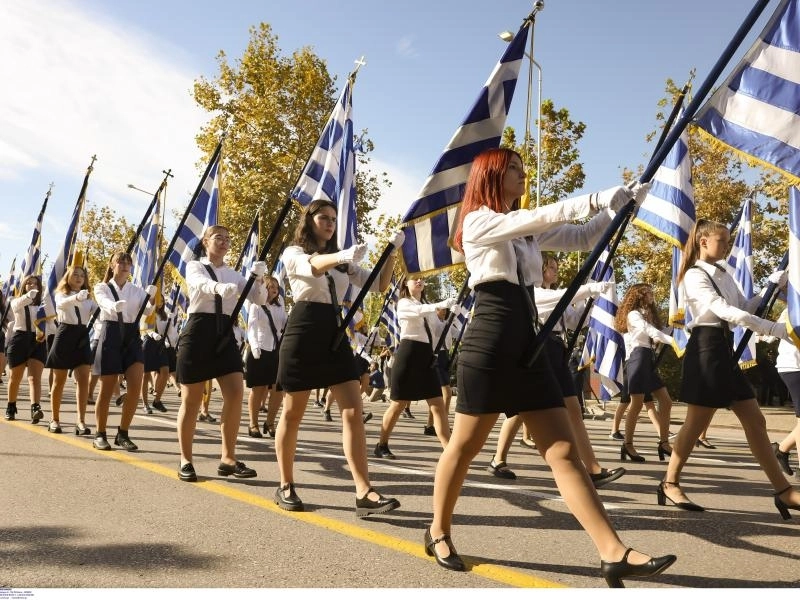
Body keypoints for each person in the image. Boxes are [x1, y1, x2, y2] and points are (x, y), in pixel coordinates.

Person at [427, 147, 675, 587]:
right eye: (516, 170)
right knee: (464, 446)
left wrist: (624, 207)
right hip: (490, 337)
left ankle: (612, 552)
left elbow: (581, 237)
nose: (524, 175)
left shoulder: (524, 233)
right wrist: (599, 197)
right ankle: (438, 531)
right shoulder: (478, 222)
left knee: (563, 451)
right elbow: (539, 218)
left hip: (530, 337)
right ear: (492, 175)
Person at [659, 219, 800, 518]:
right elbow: (722, 310)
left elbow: (744, 306)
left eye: (728, 239)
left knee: (756, 420)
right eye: (722, 240)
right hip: (706, 349)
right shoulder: (694, 275)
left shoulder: (723, 273)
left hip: (722, 349)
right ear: (703, 241)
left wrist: (770, 286)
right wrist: (773, 329)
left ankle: (783, 491)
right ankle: (669, 482)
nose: (727, 244)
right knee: (696, 422)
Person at [274, 198, 403, 516]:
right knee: (293, 413)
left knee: (353, 412)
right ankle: (286, 484)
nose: (330, 223)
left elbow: (379, 285)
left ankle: (364, 491)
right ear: (309, 220)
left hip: (334, 330)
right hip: (304, 328)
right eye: (323, 217)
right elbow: (312, 267)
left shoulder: (343, 263)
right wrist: (342, 255)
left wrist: (391, 251)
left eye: (333, 218)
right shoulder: (294, 253)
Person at [487, 253, 624, 488]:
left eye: (555, 266)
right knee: (521, 411)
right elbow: (561, 298)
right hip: (539, 349)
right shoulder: (533, 293)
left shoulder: (552, 296)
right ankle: (498, 459)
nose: (555, 270)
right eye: (550, 266)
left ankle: (592, 468)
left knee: (573, 411)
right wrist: (590, 288)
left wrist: (591, 304)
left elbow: (572, 320)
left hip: (556, 350)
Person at [175, 225, 267, 482]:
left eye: (228, 239)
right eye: (219, 238)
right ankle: (186, 459)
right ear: (206, 242)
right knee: (191, 399)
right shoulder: (195, 266)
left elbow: (258, 299)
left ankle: (228, 457)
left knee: (236, 392)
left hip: (225, 331)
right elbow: (199, 284)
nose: (225, 242)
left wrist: (257, 279)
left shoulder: (233, 273)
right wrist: (218, 288)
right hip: (199, 330)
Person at [374, 276, 454, 459]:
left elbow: (436, 332)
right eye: (414, 279)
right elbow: (418, 312)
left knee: (437, 404)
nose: (419, 281)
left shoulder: (428, 306)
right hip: (409, 353)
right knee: (398, 404)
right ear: (405, 284)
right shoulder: (403, 303)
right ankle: (382, 444)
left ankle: (449, 451)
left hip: (426, 355)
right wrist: (439, 305)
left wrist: (451, 318)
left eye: (422, 279)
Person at [92, 252, 156, 451]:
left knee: (135, 387)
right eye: (121, 261)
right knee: (106, 389)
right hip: (111, 333)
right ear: (112, 265)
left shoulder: (135, 290)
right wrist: (114, 306)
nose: (125, 265)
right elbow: (102, 301)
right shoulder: (102, 287)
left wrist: (151, 298)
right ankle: (100, 433)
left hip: (131, 335)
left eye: (129, 262)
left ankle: (123, 433)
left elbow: (147, 312)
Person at [615, 283, 676, 462]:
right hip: (637, 358)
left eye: (651, 291)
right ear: (639, 296)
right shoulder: (633, 315)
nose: (652, 295)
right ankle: (628, 445)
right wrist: (673, 341)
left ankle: (664, 443)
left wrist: (675, 328)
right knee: (636, 404)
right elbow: (648, 331)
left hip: (647, 360)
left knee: (666, 401)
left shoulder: (646, 314)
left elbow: (657, 333)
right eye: (648, 292)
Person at [45, 266, 96, 435]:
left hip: (82, 336)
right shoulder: (62, 294)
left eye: (82, 275)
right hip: (65, 334)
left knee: (83, 380)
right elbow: (61, 304)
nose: (79, 278)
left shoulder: (88, 298)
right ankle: (55, 419)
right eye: (75, 275)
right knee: (59, 381)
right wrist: (76, 298)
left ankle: (80, 421)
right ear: (68, 277)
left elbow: (99, 313)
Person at [244, 275, 286, 438]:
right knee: (258, 389)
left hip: (276, 351)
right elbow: (252, 327)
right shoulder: (256, 304)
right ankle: (253, 423)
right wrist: (254, 347)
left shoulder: (280, 302)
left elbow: (283, 323)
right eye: (271, 286)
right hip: (260, 349)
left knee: (277, 390)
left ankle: (270, 422)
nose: (275, 289)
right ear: (263, 288)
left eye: (276, 286)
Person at [4, 275, 47, 423]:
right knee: (15, 377)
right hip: (20, 339)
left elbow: (51, 321)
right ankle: (11, 406)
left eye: (35, 283)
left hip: (38, 340)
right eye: (28, 283)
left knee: (34, 378)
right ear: (23, 286)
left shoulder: (43, 304)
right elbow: (18, 304)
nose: (32, 285)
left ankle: (35, 407)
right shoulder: (16, 301)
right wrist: (29, 295)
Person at [772, 308, 799, 478]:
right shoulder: (794, 305)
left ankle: (782, 449)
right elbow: (776, 331)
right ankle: (781, 450)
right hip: (794, 366)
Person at [424, 306, 457, 436]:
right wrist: (451, 320)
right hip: (436, 356)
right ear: (435, 311)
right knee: (447, 394)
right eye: (440, 309)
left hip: (445, 357)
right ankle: (443, 425)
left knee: (436, 396)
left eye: (445, 309)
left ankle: (430, 425)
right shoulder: (434, 322)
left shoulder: (446, 322)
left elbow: (459, 333)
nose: (444, 311)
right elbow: (438, 333)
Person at [140, 303, 173, 414]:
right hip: (148, 342)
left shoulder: (163, 315)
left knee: (165, 371)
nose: (160, 302)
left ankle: (157, 400)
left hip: (161, 343)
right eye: (158, 299)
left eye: (162, 300)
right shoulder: (147, 311)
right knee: (146, 374)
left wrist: (171, 322)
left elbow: (168, 331)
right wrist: (152, 334)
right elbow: (143, 327)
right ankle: (145, 404)